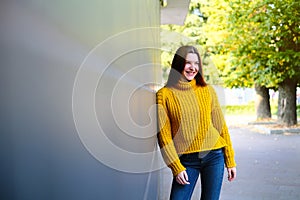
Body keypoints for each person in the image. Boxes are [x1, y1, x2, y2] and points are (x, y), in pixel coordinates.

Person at [157, 45, 237, 200]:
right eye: (188, 63)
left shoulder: (207, 91)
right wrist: (176, 167)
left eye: (196, 63)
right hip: (187, 160)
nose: (193, 68)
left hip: (214, 155)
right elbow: (164, 137)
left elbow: (221, 126)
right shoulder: (164, 95)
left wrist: (230, 160)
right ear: (178, 64)